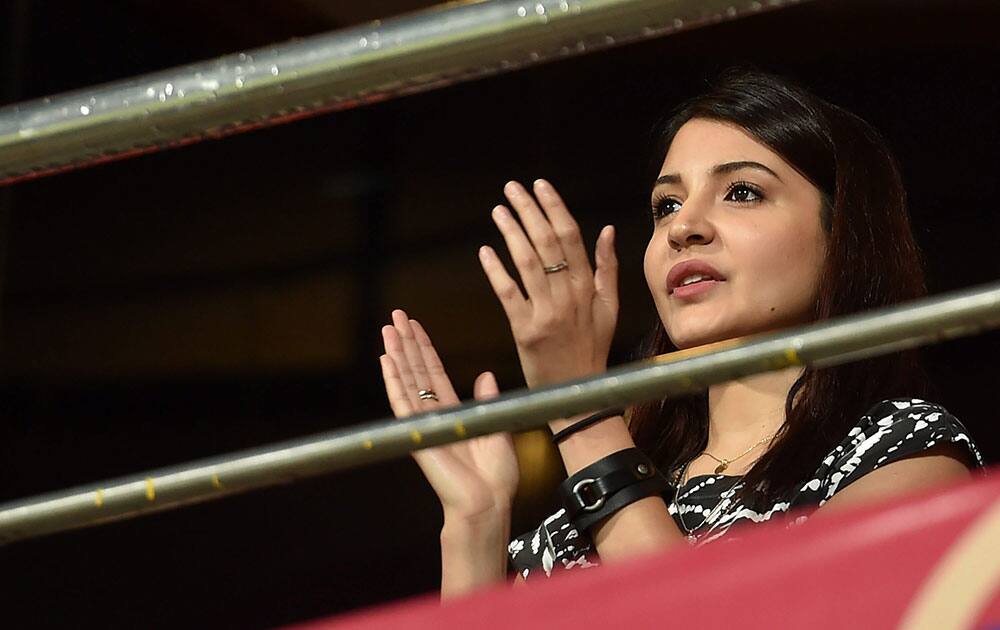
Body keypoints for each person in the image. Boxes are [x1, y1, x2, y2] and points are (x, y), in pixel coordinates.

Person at [377, 68, 985, 599]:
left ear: (842, 238)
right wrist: (475, 525)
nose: (684, 227)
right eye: (666, 205)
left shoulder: (903, 449)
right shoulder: (586, 509)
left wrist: (581, 410)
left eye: (742, 192)